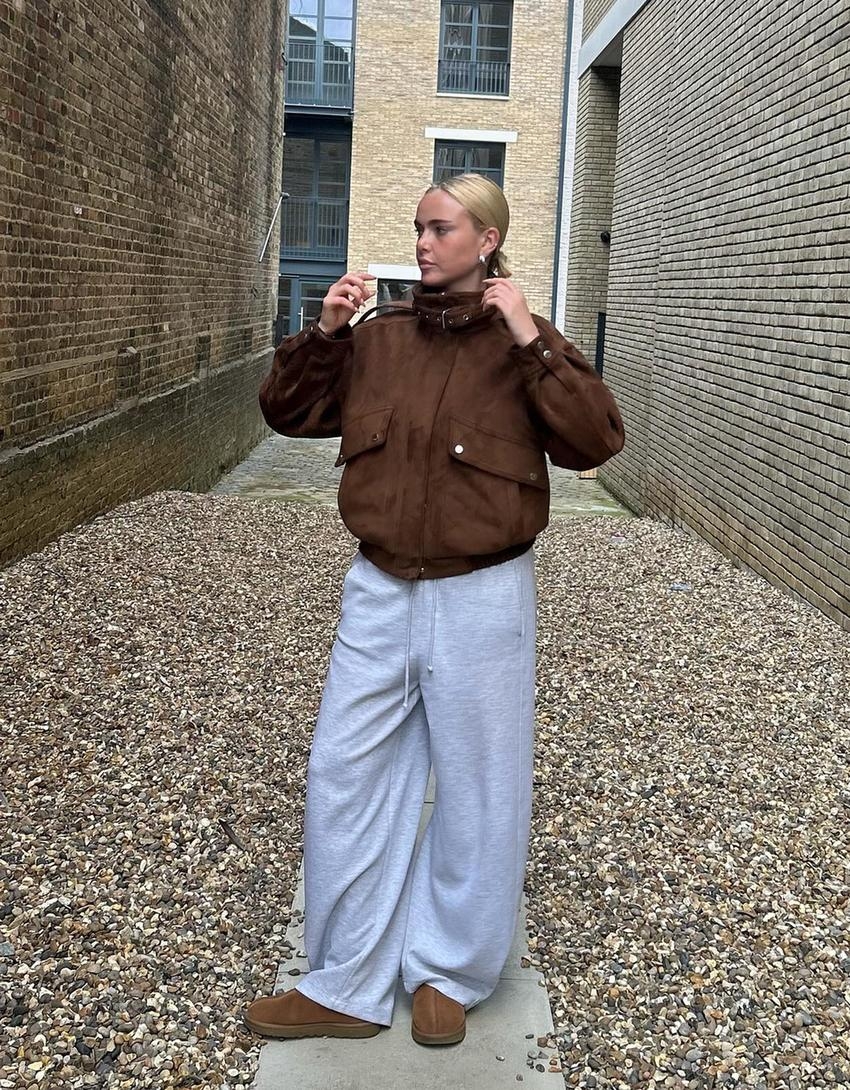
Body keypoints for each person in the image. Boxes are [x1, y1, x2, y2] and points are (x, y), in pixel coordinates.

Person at [245, 173, 625, 1047]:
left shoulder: (523, 342)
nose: (423, 243)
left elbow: (595, 440)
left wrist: (530, 337)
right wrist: (326, 333)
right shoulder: (379, 338)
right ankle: (345, 981)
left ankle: (447, 972)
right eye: (419, 227)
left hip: (482, 593)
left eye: (442, 228)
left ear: (487, 240)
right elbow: (287, 411)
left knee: (480, 788)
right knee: (343, 773)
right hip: (379, 589)